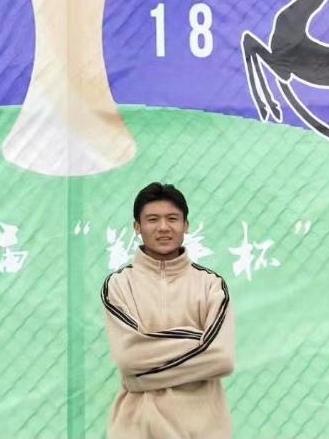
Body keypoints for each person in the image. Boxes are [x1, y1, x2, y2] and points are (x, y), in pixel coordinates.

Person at [101, 182, 236, 439]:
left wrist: (140, 379)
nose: (163, 227)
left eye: (172, 218)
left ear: (186, 225)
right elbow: (128, 357)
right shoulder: (118, 285)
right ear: (137, 227)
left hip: (203, 430)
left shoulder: (211, 285)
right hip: (137, 428)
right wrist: (197, 340)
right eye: (152, 219)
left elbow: (221, 357)